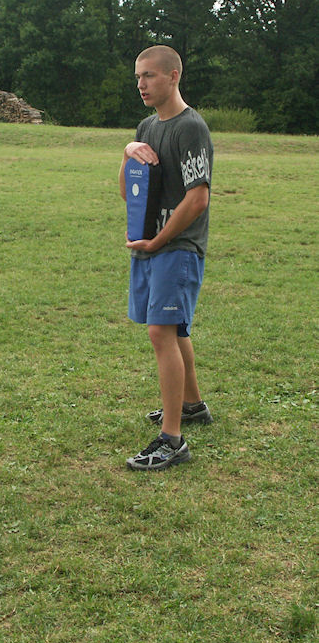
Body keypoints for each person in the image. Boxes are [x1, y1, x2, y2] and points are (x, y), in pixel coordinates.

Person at [119, 45, 214, 471]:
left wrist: (158, 241)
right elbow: (128, 191)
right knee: (172, 331)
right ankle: (192, 406)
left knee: (162, 332)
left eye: (149, 76)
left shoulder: (190, 128)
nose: (141, 84)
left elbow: (198, 198)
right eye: (138, 77)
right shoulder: (146, 126)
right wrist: (127, 152)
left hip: (177, 247)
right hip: (151, 246)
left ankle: (172, 440)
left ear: (173, 76)